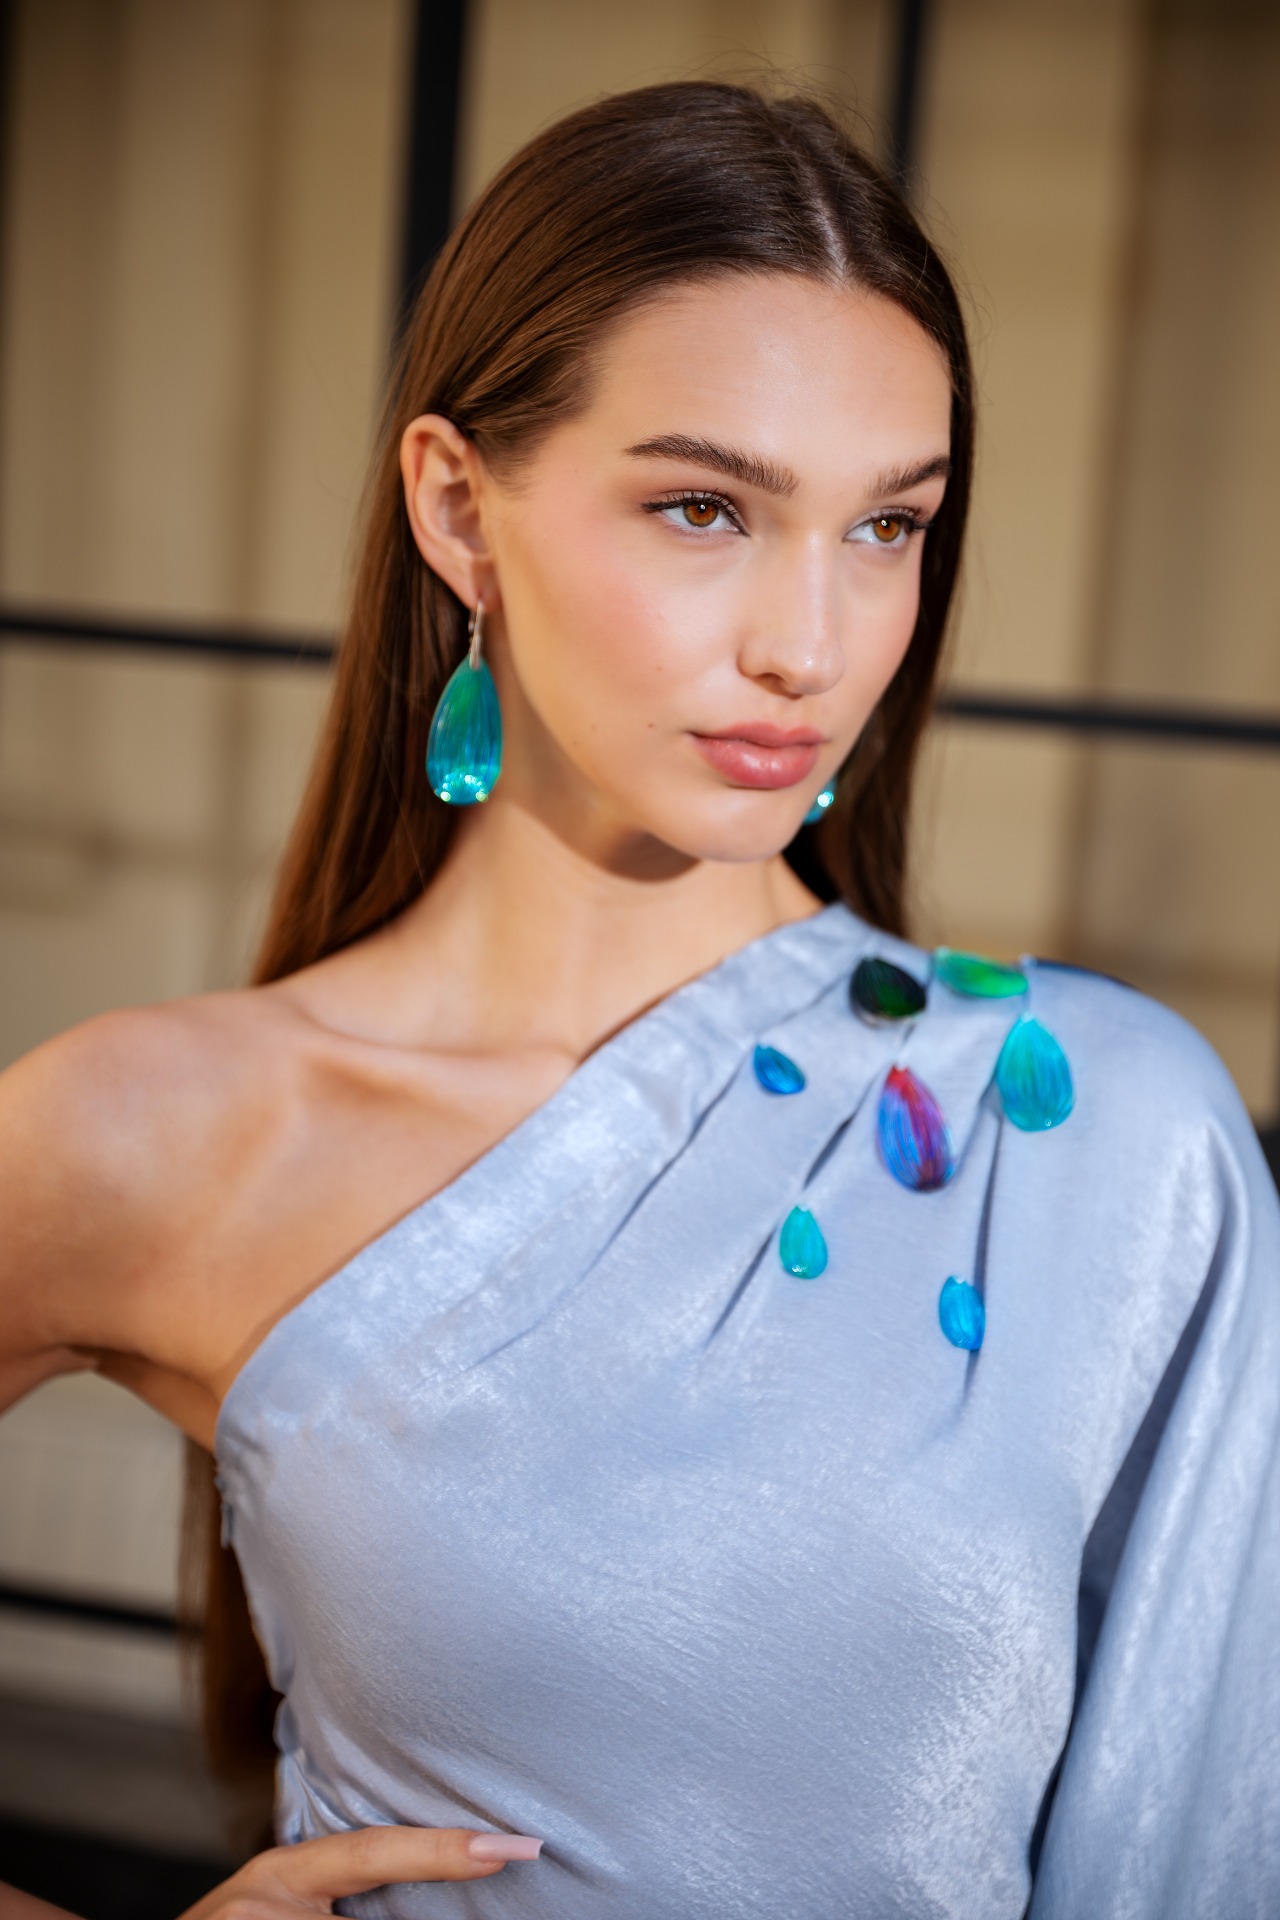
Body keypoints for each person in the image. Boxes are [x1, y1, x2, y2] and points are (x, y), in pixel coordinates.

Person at [1, 79, 1277, 1920]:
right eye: (703, 508)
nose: (810, 645)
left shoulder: (1102, 1130)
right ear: (459, 508)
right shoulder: (160, 1137)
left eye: (887, 527)